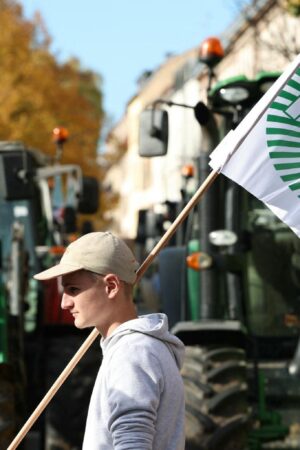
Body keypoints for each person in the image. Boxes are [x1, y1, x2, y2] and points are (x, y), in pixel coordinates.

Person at [34, 231, 185, 450]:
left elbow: (132, 444)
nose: (64, 303)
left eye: (73, 289)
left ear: (111, 286)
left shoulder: (133, 353)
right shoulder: (137, 349)